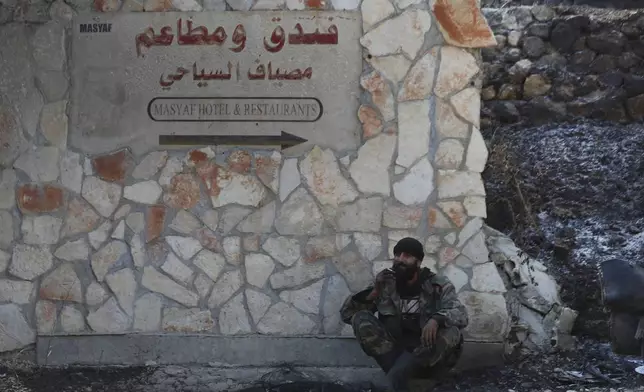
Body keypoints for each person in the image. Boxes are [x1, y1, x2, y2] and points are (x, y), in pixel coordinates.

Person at [339, 237, 469, 391]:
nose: (400, 259)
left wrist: (437, 319)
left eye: (407, 256)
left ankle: (398, 376)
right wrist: (374, 292)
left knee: (452, 331)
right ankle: (401, 375)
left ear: (418, 262)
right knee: (361, 318)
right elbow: (347, 314)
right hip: (394, 352)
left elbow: (461, 314)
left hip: (427, 352)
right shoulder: (385, 283)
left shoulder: (437, 284)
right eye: (397, 255)